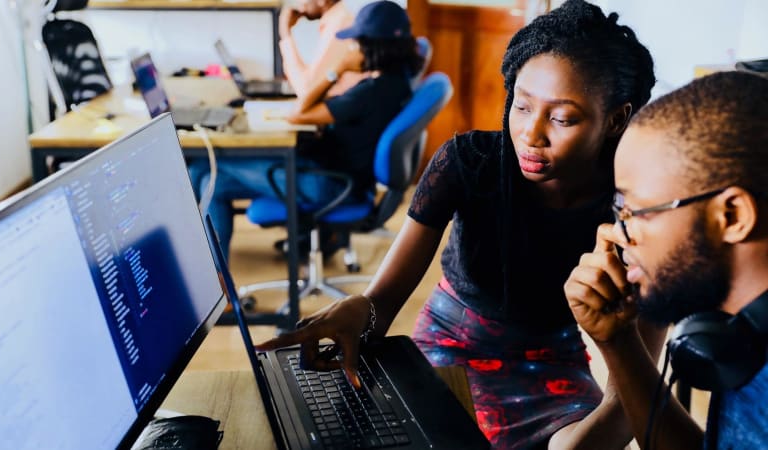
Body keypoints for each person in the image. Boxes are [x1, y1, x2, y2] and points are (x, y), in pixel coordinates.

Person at [257, 0, 660, 448]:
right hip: (450, 346)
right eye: (521, 106)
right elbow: (381, 304)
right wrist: (361, 310)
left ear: (616, 119)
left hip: (553, 364)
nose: (531, 135)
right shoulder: (468, 164)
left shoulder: (637, 211)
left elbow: (629, 400)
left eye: (562, 118)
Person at [564, 71, 768, 449]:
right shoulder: (740, 334)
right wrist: (618, 341)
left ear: (732, 216)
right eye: (618, 210)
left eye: (635, 211)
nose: (616, 233)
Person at [191, 1, 423, 257]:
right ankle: (216, 273)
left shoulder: (371, 93)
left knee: (204, 168)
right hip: (337, 177)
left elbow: (298, 113)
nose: (351, 47)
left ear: (372, 47)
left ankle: (204, 267)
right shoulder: (395, 83)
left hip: (328, 184)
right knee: (213, 182)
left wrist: (337, 70)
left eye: (356, 42)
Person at [279, 0, 364, 98]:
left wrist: (285, 33)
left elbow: (307, 91)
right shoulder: (338, 20)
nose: (299, 2)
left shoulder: (338, 27)